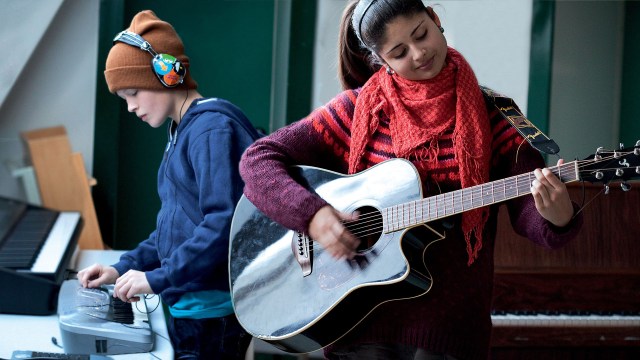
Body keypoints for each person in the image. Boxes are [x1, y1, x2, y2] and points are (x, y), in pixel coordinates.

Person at [238, 1, 583, 359]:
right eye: (399, 52)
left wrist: (556, 217)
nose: (419, 54)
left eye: (422, 34)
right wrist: (313, 215)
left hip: (449, 329)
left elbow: (530, 212)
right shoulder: (356, 112)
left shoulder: (496, 115)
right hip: (358, 321)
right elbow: (258, 160)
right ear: (380, 59)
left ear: (435, 19)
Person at [77, 10, 260, 359]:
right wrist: (123, 266)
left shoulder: (210, 129)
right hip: (189, 304)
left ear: (167, 73)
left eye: (132, 93)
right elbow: (175, 229)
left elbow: (222, 224)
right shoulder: (182, 130)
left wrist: (158, 278)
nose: (130, 107)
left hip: (211, 310)